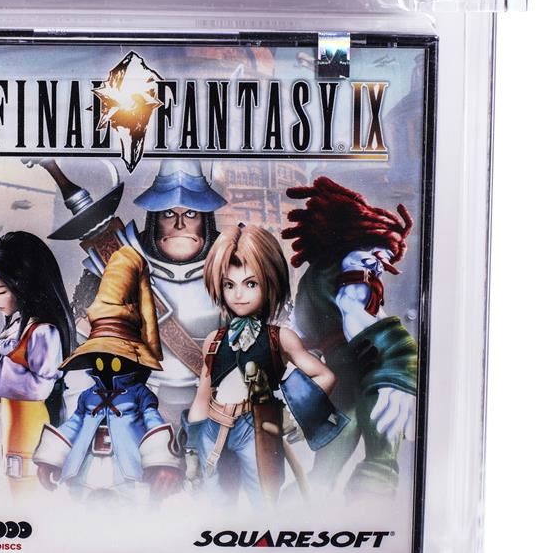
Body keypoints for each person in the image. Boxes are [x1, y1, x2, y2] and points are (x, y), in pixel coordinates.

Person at [184, 224, 340, 506]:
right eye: (229, 285)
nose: (238, 295)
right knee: (214, 503)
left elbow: (324, 376)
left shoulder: (280, 338)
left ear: (269, 283)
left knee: (263, 501)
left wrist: (295, 415)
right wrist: (192, 450)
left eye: (250, 284)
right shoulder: (214, 340)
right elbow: (202, 397)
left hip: (254, 427)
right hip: (213, 427)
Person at [282, 177, 419, 498]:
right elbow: (356, 316)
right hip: (372, 375)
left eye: (385, 261)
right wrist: (401, 368)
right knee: (379, 463)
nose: (380, 266)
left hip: (341, 380)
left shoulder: (315, 278)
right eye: (378, 255)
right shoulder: (356, 275)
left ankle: (307, 508)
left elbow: (300, 332)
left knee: (326, 468)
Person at [73, 159, 227, 424]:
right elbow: (81, 331)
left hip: (217, 400)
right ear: (155, 217)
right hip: (136, 397)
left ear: (205, 218)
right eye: (169, 213)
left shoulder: (233, 260)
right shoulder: (119, 261)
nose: (180, 224)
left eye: (191, 213)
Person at [33, 246, 182, 501]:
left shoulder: (140, 395)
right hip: (85, 467)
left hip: (126, 471)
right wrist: (50, 459)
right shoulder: (88, 396)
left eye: (114, 359)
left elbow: (153, 421)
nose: (105, 366)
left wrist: (163, 464)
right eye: (99, 359)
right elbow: (73, 424)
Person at [0, 231, 76, 495]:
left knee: (28, 494)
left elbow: (41, 386)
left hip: (33, 433)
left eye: (1, 291)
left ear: (25, 285)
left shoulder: (43, 332)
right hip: (16, 432)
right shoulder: (17, 327)